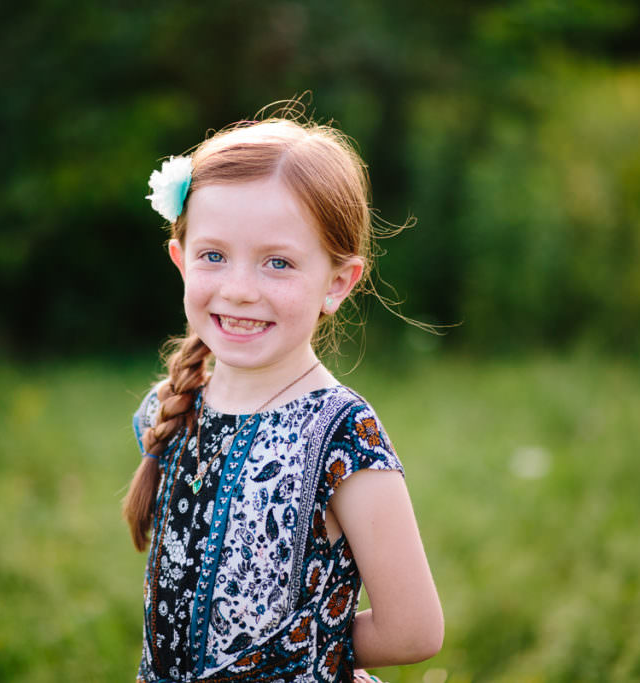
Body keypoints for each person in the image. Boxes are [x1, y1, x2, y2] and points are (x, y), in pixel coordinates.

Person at [123, 111, 443, 683]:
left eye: (278, 263)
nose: (240, 290)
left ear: (336, 283)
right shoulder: (173, 405)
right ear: (180, 259)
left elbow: (414, 629)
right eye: (213, 255)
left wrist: (300, 660)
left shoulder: (342, 435)